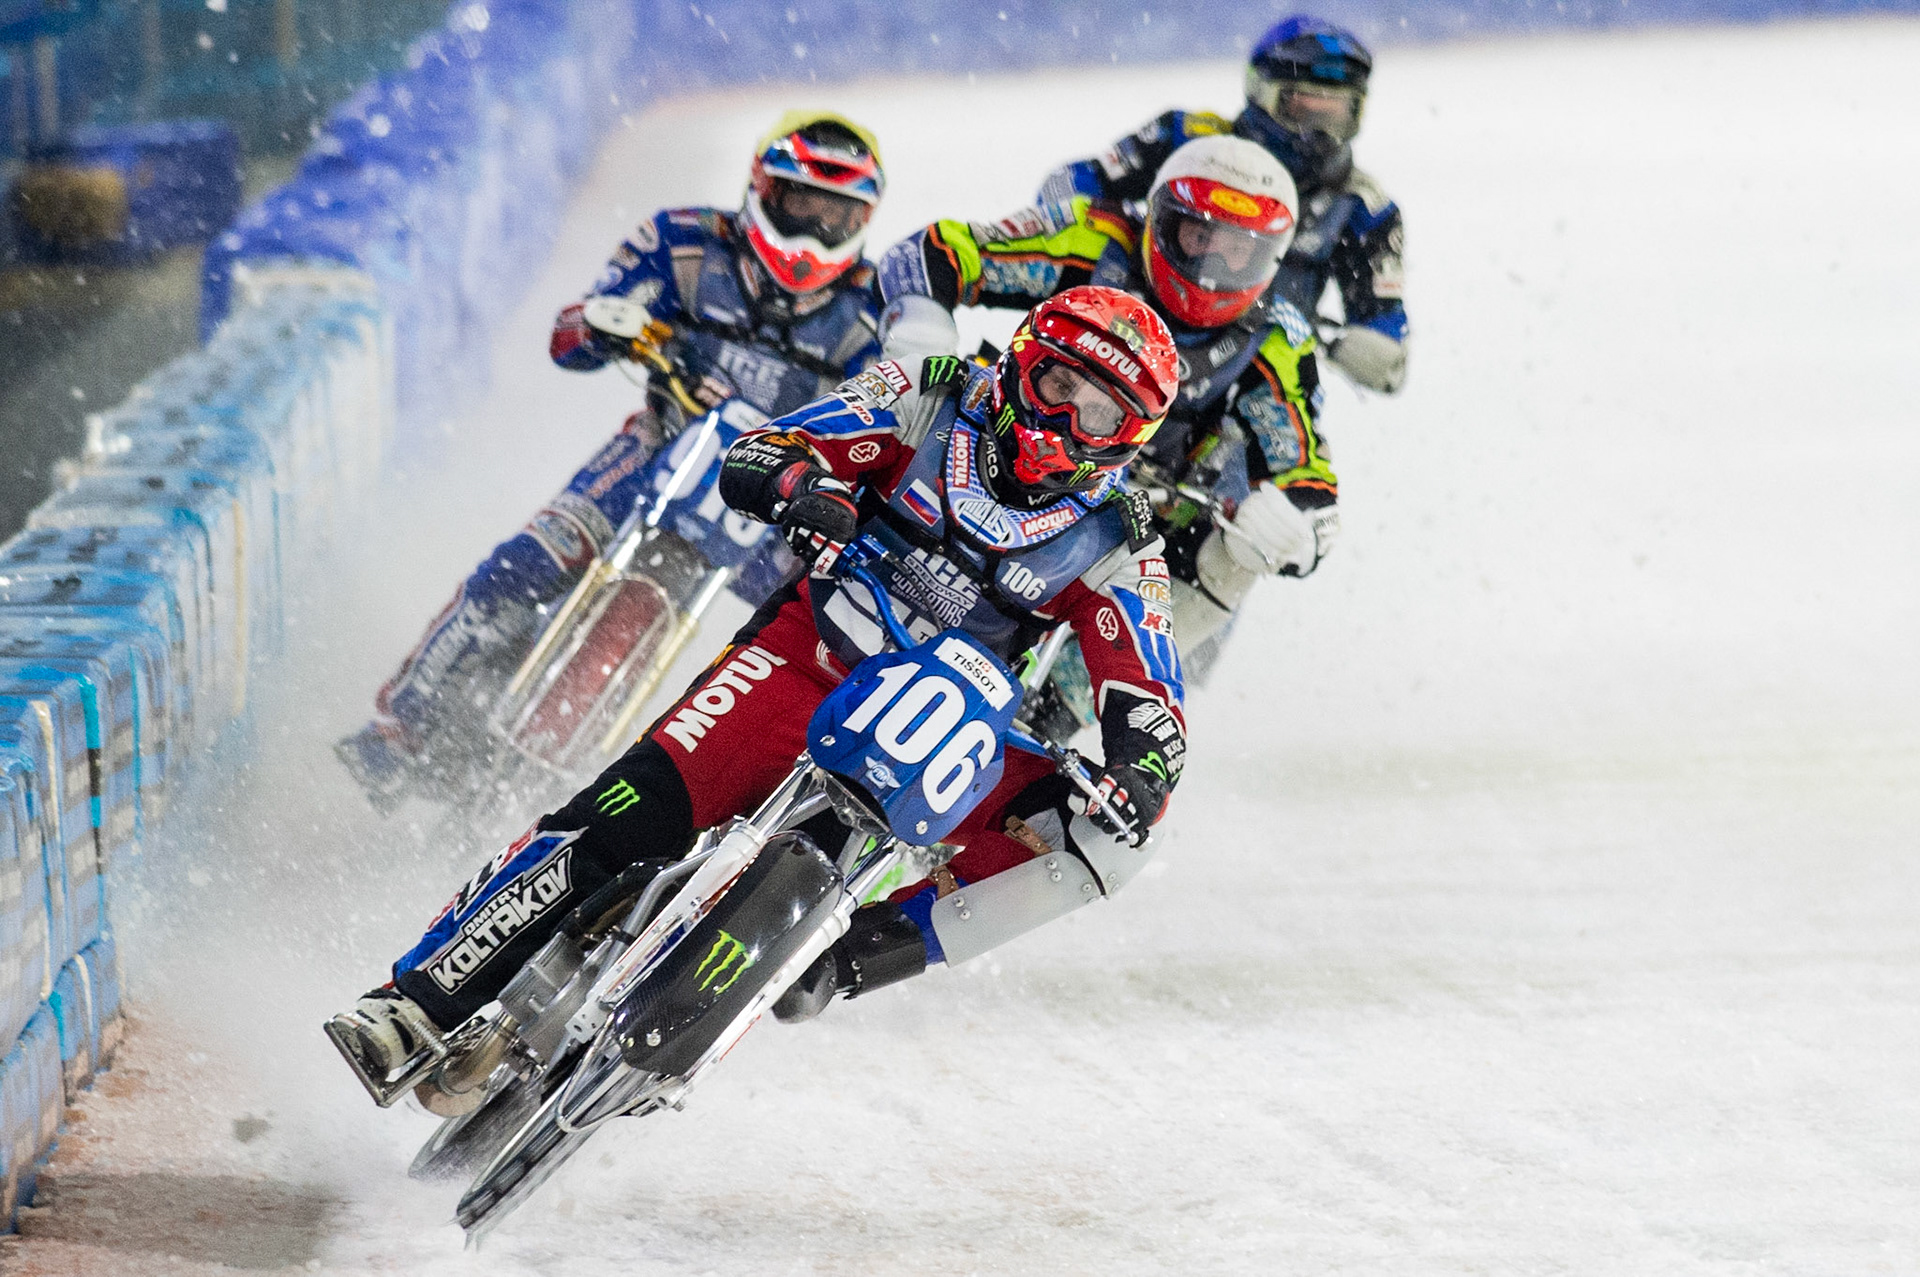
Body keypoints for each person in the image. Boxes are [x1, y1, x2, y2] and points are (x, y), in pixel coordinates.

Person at [326, 286, 1189, 1078]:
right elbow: (768, 448)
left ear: (1131, 441)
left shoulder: (1121, 541)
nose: (1066, 422)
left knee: (1112, 843)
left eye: (1101, 412)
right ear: (1016, 364)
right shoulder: (928, 392)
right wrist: (805, 490)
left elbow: (1152, 693)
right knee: (621, 818)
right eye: (1055, 386)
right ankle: (414, 1000)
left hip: (950, 742)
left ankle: (843, 957)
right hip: (804, 660)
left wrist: (1141, 769)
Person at [335, 111, 890, 809]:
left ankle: (737, 797)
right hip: (656, 446)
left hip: (775, 494)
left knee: (818, 646)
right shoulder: (681, 240)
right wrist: (608, 326)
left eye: (836, 212)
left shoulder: (877, 310)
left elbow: (890, 420)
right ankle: (401, 725)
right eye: (802, 201)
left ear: (865, 218)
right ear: (762, 190)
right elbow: (571, 335)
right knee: (514, 569)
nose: (814, 227)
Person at [877, 134, 1337, 661]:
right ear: (1159, 220)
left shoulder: (1279, 337)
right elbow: (929, 252)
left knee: (1239, 556)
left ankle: (1074, 706)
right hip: (1013, 438)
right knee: (921, 394)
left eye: (1239, 250)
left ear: (1272, 259)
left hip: (1147, 512)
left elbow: (1307, 473)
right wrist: (921, 329)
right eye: (1198, 236)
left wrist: (1296, 531)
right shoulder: (1093, 233)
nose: (1214, 265)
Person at [1038, 14, 1407, 396]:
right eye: (1301, 109)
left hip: (1244, 382)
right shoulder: (1184, 138)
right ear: (1259, 91)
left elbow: (1386, 327)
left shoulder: (1364, 208)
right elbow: (1065, 186)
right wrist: (1103, 241)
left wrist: (1362, 348)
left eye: (1336, 114)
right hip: (1123, 339)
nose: (1317, 133)